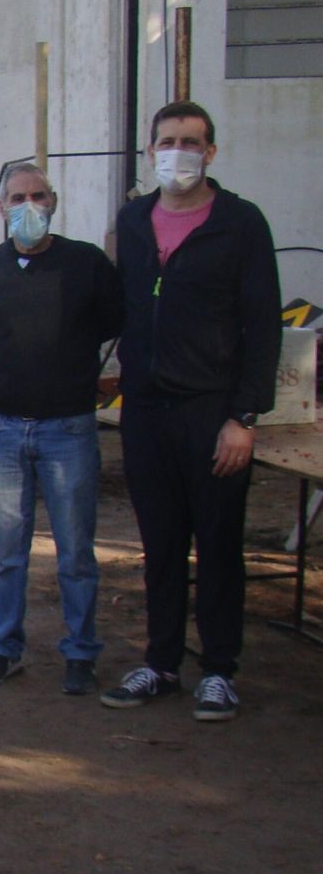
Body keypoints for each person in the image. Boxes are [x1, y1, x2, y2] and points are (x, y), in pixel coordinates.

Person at [100, 100, 281, 721]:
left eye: (192, 141)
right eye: (168, 140)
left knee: (219, 542)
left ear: (211, 151)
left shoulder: (239, 224)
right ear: (151, 151)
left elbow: (263, 327)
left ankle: (220, 670)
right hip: (147, 409)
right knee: (161, 543)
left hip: (214, 412)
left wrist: (244, 417)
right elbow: (117, 305)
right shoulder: (132, 221)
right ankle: (162, 662)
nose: (179, 151)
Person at [0, 163, 122, 696]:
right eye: (17, 197)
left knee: (74, 551)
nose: (28, 206)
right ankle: (3, 647)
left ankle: (81, 652)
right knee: (8, 553)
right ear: (2, 209)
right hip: (2, 430)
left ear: (54, 202)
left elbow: (118, 322)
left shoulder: (85, 264)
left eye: (37, 196)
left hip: (68, 429)